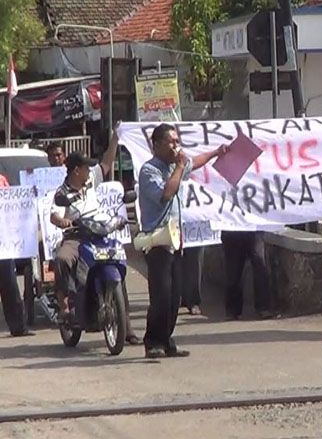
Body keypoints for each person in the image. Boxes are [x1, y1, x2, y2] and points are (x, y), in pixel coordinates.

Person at [138, 123, 226, 359]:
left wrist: (216, 153)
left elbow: (195, 162)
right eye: (171, 142)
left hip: (176, 239)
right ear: (156, 145)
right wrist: (178, 166)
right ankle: (153, 341)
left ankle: (167, 338)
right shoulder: (150, 171)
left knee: (176, 294)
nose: (176, 146)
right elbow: (166, 194)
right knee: (161, 294)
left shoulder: (174, 167)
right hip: (157, 241)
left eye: (178, 141)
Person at [49, 129, 141, 345]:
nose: (90, 170)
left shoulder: (91, 181)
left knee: (118, 265)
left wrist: (116, 138)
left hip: (100, 233)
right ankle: (65, 307)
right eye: (86, 167)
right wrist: (64, 222)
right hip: (77, 236)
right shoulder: (61, 193)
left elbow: (107, 164)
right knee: (62, 259)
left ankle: (126, 327)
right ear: (76, 170)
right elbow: (55, 215)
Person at [0, 173, 34, 337]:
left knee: (9, 283)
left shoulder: (2, 180)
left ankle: (18, 326)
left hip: (3, 243)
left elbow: (12, 204)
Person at [221, 231, 273, 320]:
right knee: (233, 270)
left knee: (259, 263)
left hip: (253, 229)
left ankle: (263, 307)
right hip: (232, 230)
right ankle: (233, 310)